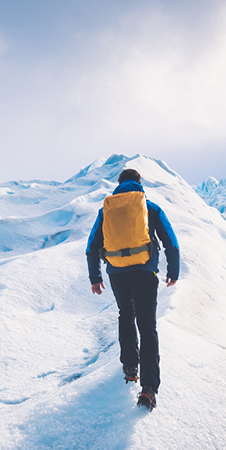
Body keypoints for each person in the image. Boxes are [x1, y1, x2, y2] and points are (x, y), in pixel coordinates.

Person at [86, 168, 180, 410]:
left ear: (119, 184)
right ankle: (149, 389)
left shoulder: (106, 209)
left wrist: (95, 277)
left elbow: (92, 245)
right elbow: (171, 241)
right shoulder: (149, 207)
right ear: (139, 183)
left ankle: (130, 368)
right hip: (144, 272)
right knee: (148, 327)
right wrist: (173, 272)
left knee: (126, 315)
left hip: (117, 273)